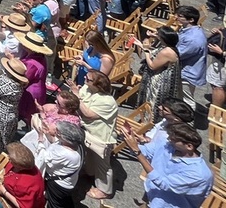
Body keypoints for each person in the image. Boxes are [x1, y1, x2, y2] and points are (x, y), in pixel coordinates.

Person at [122, 122, 213, 208]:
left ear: (189, 146)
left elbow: (163, 183)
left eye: (173, 140)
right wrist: (129, 139)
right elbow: (146, 151)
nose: (169, 140)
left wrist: (137, 152)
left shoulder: (199, 174)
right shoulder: (168, 145)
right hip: (153, 198)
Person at [72, 71, 117, 200]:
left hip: (101, 136)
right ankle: (90, 172)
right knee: (89, 155)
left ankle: (105, 190)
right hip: (87, 130)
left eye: (88, 79)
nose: (85, 79)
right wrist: (77, 93)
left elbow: (88, 114)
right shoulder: (87, 88)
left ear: (98, 85)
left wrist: (76, 95)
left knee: (102, 164)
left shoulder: (107, 101)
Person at [28, 120, 82, 208]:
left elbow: (42, 157)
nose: (56, 132)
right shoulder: (76, 146)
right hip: (70, 181)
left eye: (58, 131)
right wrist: (49, 133)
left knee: (55, 204)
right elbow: (56, 141)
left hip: (58, 184)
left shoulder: (62, 153)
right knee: (65, 199)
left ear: (64, 137)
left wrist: (41, 139)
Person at [136, 26, 183, 121]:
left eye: (159, 35)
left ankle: (150, 123)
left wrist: (145, 51)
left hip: (159, 82)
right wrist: (144, 42)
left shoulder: (166, 52)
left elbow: (152, 66)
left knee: (153, 103)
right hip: (162, 78)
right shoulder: (170, 47)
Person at [0, 57, 27, 152]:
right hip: (11, 114)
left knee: (2, 140)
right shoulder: (18, 83)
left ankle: (0, 158)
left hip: (2, 116)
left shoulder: (9, 84)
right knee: (6, 138)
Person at [175, 6, 208, 110]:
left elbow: (177, 54)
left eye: (180, 16)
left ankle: (188, 123)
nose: (176, 18)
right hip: (186, 70)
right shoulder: (189, 30)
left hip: (187, 73)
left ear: (191, 20)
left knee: (187, 101)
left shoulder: (193, 39)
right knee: (180, 97)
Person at [0, 142, 45, 208]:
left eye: (11, 159)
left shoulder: (25, 184)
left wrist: (4, 192)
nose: (8, 157)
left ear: (20, 166)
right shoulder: (22, 165)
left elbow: (23, 206)